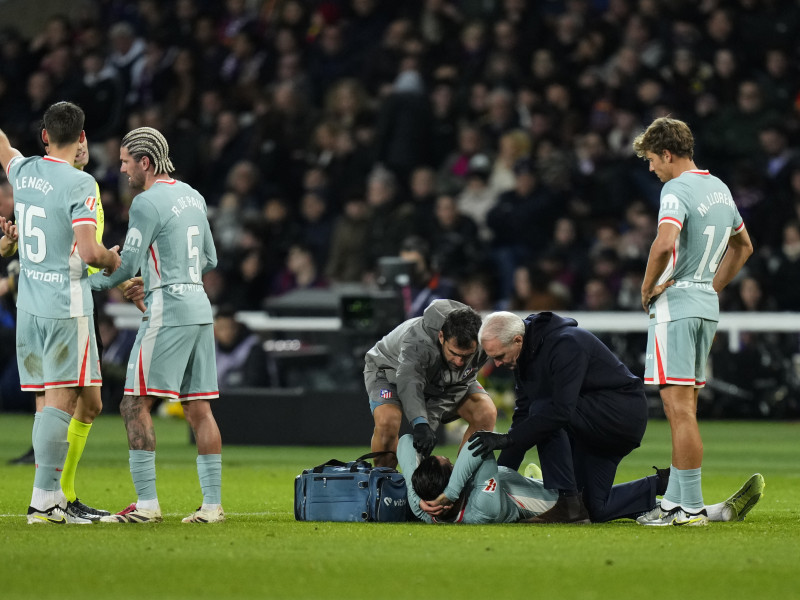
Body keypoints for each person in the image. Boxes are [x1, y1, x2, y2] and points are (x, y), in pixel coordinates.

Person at [2, 134, 144, 523]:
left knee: (90, 402)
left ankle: (57, 494)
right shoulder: (79, 190)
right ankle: (52, 497)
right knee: (59, 401)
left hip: (43, 306)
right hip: (67, 306)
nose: (84, 151)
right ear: (76, 140)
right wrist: (118, 271)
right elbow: (87, 258)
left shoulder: (38, 178)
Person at [88, 126, 224, 524]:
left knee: (133, 402)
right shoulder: (192, 195)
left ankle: (146, 506)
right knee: (198, 407)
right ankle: (212, 506)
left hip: (169, 309)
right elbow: (210, 260)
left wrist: (89, 282)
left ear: (145, 162)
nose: (122, 168)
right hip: (199, 304)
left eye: (126, 161)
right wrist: (160, 275)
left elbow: (125, 265)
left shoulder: (146, 203)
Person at [633, 116, 753, 526]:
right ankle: (675, 503)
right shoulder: (718, 187)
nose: (651, 169)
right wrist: (713, 286)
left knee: (678, 409)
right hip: (704, 303)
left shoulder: (675, 189)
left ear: (667, 153)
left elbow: (664, 242)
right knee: (684, 408)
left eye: (652, 159)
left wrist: (647, 288)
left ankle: (689, 508)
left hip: (677, 304)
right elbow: (744, 246)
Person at [469, 311, 663, 524]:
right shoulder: (523, 356)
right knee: (592, 509)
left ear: (518, 340)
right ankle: (665, 483)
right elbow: (523, 417)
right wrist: (496, 480)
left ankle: (567, 503)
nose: (497, 364)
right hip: (589, 428)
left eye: (499, 356)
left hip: (621, 415)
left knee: (545, 410)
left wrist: (507, 439)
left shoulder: (566, 344)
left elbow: (560, 411)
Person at [398, 433, 766, 525]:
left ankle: (678, 503)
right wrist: (451, 489)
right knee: (593, 507)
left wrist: (436, 484)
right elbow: (482, 447)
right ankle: (697, 501)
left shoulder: (421, 504)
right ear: (452, 482)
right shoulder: (481, 505)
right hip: (546, 500)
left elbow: (402, 444)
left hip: (519, 486)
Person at [364, 299, 496, 468]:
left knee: (485, 412)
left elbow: (458, 385)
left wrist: (429, 424)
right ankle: (385, 486)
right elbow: (410, 382)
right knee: (387, 421)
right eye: (454, 353)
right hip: (388, 369)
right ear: (441, 337)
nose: (459, 361)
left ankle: (462, 483)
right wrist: (420, 424)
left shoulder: (483, 343)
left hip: (443, 381)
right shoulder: (418, 341)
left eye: (466, 356)